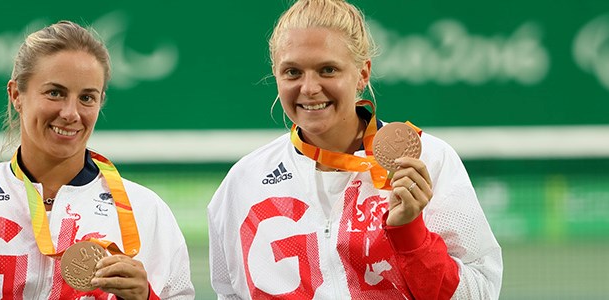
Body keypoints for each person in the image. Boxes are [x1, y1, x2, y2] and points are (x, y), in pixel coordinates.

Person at [0, 20, 195, 300]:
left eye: (87, 97)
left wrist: (145, 297)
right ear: (16, 94)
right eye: (55, 93)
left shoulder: (145, 212)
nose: (70, 113)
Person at [207, 0, 502, 299]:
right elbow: (229, 293)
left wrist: (412, 235)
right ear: (276, 75)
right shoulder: (244, 183)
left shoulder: (428, 161)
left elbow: (480, 292)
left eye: (328, 70)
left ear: (363, 73)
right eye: (293, 72)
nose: (309, 88)